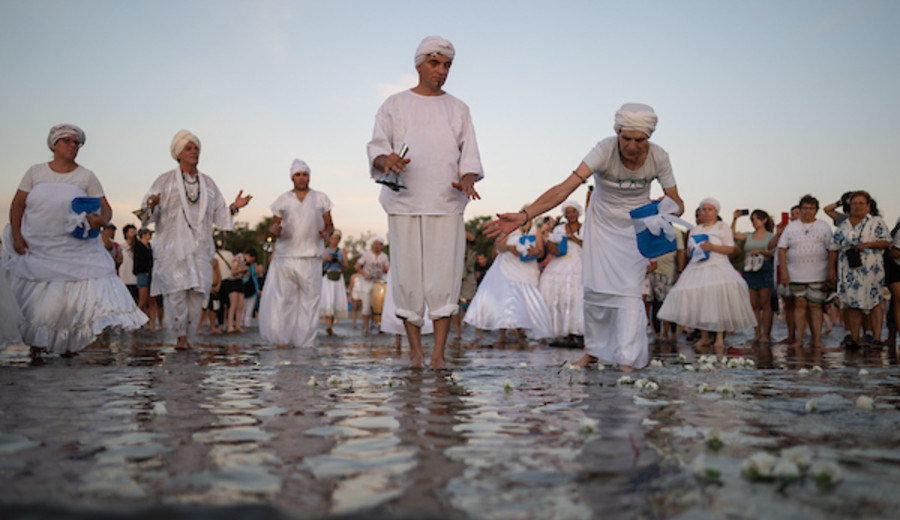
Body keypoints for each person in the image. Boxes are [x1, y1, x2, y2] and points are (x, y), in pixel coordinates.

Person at [486, 103, 683, 370]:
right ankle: (592, 352)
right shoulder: (604, 150)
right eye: (626, 139)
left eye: (640, 140)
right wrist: (525, 215)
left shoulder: (659, 156)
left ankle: (627, 358)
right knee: (595, 290)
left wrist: (662, 208)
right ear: (618, 133)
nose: (633, 146)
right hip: (601, 224)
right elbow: (564, 189)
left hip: (633, 230)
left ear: (648, 138)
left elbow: (677, 203)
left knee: (629, 292)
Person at [367, 35, 484, 369]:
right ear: (418, 65)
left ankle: (438, 355)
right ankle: (416, 353)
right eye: (435, 63)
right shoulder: (393, 104)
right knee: (406, 278)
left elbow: (470, 155)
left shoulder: (459, 108)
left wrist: (467, 178)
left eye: (447, 65)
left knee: (444, 278)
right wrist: (385, 159)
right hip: (404, 200)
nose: (442, 70)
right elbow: (376, 148)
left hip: (446, 201)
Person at [5, 124, 146, 359]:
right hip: (39, 246)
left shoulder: (86, 176)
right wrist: (17, 237)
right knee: (40, 299)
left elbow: (106, 208)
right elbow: (17, 205)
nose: (73, 145)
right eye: (67, 141)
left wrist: (101, 219)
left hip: (76, 249)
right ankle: (36, 346)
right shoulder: (35, 172)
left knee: (71, 300)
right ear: (54, 145)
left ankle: (70, 345)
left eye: (76, 143)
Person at [139, 130, 251, 350]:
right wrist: (150, 206)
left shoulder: (208, 183)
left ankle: (188, 335)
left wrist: (234, 208)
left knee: (197, 293)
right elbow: (145, 216)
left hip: (200, 248)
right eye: (189, 148)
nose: (194, 152)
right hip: (173, 249)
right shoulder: (164, 181)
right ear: (178, 153)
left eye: (196, 148)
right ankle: (180, 336)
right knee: (177, 293)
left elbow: (220, 215)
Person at [659, 198, 757, 350]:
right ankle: (704, 336)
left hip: (718, 265)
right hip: (698, 266)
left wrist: (712, 246)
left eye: (710, 209)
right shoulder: (696, 229)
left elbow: (731, 249)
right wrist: (692, 251)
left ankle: (719, 337)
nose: (706, 212)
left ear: (716, 212)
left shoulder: (722, 227)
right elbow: (689, 249)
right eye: (703, 209)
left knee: (718, 300)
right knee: (701, 301)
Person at [258, 159, 334, 347]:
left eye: (305, 174)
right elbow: (273, 227)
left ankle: (305, 343)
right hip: (286, 257)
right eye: (298, 175)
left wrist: (326, 233)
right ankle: (282, 341)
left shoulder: (320, 198)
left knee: (310, 301)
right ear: (292, 177)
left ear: (309, 176)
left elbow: (330, 225)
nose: (302, 178)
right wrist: (273, 231)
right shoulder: (283, 199)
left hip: (312, 257)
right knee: (284, 300)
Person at [465, 218, 554, 345]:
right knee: (504, 300)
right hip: (507, 268)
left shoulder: (536, 231)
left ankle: (521, 334)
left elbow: (541, 253)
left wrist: (535, 252)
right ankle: (502, 335)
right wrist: (509, 248)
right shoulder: (510, 229)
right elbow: (498, 247)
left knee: (523, 301)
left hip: (526, 269)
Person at [827, 191, 891, 348]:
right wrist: (831, 270)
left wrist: (867, 245)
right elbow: (833, 248)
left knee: (875, 302)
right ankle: (854, 339)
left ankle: (876, 339)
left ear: (868, 206)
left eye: (861, 203)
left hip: (872, 270)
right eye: (854, 203)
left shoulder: (877, 222)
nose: (857, 206)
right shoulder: (843, 225)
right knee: (852, 303)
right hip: (849, 271)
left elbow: (886, 242)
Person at [777, 195, 832, 348]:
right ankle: (799, 339)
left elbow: (832, 250)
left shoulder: (824, 226)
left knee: (815, 305)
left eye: (811, 208)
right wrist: (784, 272)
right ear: (800, 210)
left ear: (816, 210)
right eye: (805, 208)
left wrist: (831, 272)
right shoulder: (791, 227)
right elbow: (782, 250)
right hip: (796, 272)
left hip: (818, 272)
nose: (808, 211)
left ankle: (817, 339)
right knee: (799, 304)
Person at [539, 200, 585, 342]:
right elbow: (552, 246)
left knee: (578, 298)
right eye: (568, 212)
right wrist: (551, 244)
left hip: (580, 263)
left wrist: (573, 239)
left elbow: (590, 245)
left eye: (573, 211)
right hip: (561, 263)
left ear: (578, 213)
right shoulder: (559, 229)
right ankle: (561, 331)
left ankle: (578, 330)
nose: (571, 214)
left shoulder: (585, 228)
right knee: (560, 297)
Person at [732, 209, 776, 342]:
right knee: (754, 303)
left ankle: (766, 334)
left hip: (764, 267)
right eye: (752, 219)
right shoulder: (748, 235)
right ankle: (757, 333)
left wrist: (762, 251)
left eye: (757, 219)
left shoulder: (771, 236)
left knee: (765, 302)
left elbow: (774, 253)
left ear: (764, 220)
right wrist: (735, 219)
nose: (754, 222)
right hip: (749, 268)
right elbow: (732, 235)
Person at [355, 237, 390, 335]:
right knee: (366, 305)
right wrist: (364, 274)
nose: (376, 246)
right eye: (375, 244)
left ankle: (381, 325)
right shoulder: (367, 254)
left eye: (379, 244)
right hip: (367, 281)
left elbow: (387, 268)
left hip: (378, 282)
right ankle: (365, 327)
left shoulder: (384, 256)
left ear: (382, 246)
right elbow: (357, 266)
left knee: (380, 304)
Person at [321, 230, 349, 335]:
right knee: (329, 301)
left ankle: (330, 326)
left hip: (338, 277)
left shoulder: (342, 252)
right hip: (328, 277)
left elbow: (346, 267)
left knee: (335, 301)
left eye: (336, 238)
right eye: (332, 238)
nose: (334, 241)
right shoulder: (325, 251)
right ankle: (328, 326)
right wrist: (326, 259)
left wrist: (340, 262)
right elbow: (318, 265)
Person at [132, 228, 158, 331]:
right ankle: (134, 323)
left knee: (152, 300)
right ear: (143, 235)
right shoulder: (138, 246)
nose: (150, 235)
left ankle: (152, 326)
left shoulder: (150, 247)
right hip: (143, 274)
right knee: (142, 302)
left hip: (150, 274)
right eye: (148, 234)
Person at [225, 248, 249, 333]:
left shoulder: (245, 261)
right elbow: (233, 271)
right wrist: (243, 270)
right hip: (233, 282)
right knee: (233, 304)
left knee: (240, 304)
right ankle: (230, 326)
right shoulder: (238, 258)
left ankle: (238, 325)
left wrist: (245, 273)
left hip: (239, 281)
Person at [241, 248, 263, 328]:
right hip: (248, 287)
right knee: (245, 306)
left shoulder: (253, 265)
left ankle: (245, 322)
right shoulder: (244, 264)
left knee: (247, 307)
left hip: (251, 287)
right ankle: (244, 322)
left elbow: (259, 274)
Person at [118, 224, 139, 304]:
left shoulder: (138, 247)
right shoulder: (121, 247)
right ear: (126, 234)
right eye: (132, 232)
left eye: (135, 232)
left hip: (136, 280)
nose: (134, 234)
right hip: (124, 279)